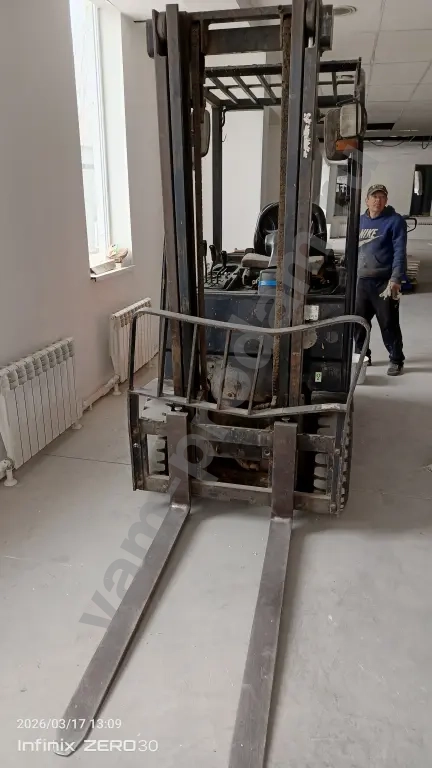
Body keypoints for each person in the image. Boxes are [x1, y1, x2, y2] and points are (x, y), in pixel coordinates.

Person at [354, 184, 407, 376]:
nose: (378, 200)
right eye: (374, 196)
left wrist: (396, 278)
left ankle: (396, 359)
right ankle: (362, 356)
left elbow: (400, 251)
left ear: (386, 200)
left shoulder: (395, 221)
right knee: (358, 322)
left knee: (388, 323)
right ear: (367, 200)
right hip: (361, 281)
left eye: (382, 197)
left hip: (384, 282)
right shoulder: (359, 221)